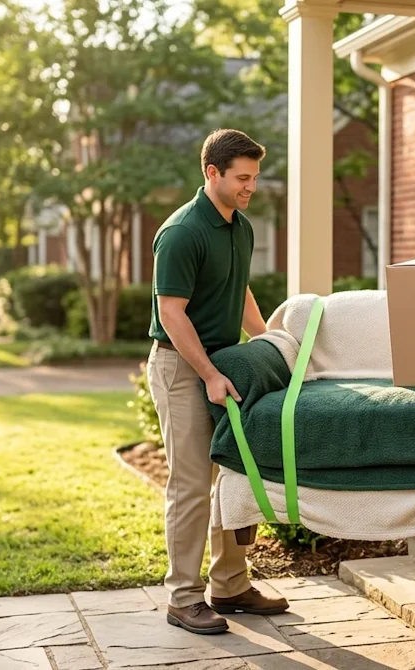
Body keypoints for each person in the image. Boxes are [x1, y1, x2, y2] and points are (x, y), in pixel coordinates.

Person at [146, 128, 288, 634]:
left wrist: (273, 340)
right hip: (182, 368)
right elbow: (172, 314)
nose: (251, 186)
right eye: (242, 178)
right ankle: (183, 598)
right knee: (190, 486)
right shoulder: (183, 231)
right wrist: (207, 373)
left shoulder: (240, 227)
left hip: (224, 364)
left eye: (255, 177)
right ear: (213, 173)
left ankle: (230, 585)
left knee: (234, 473)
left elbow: (239, 289)